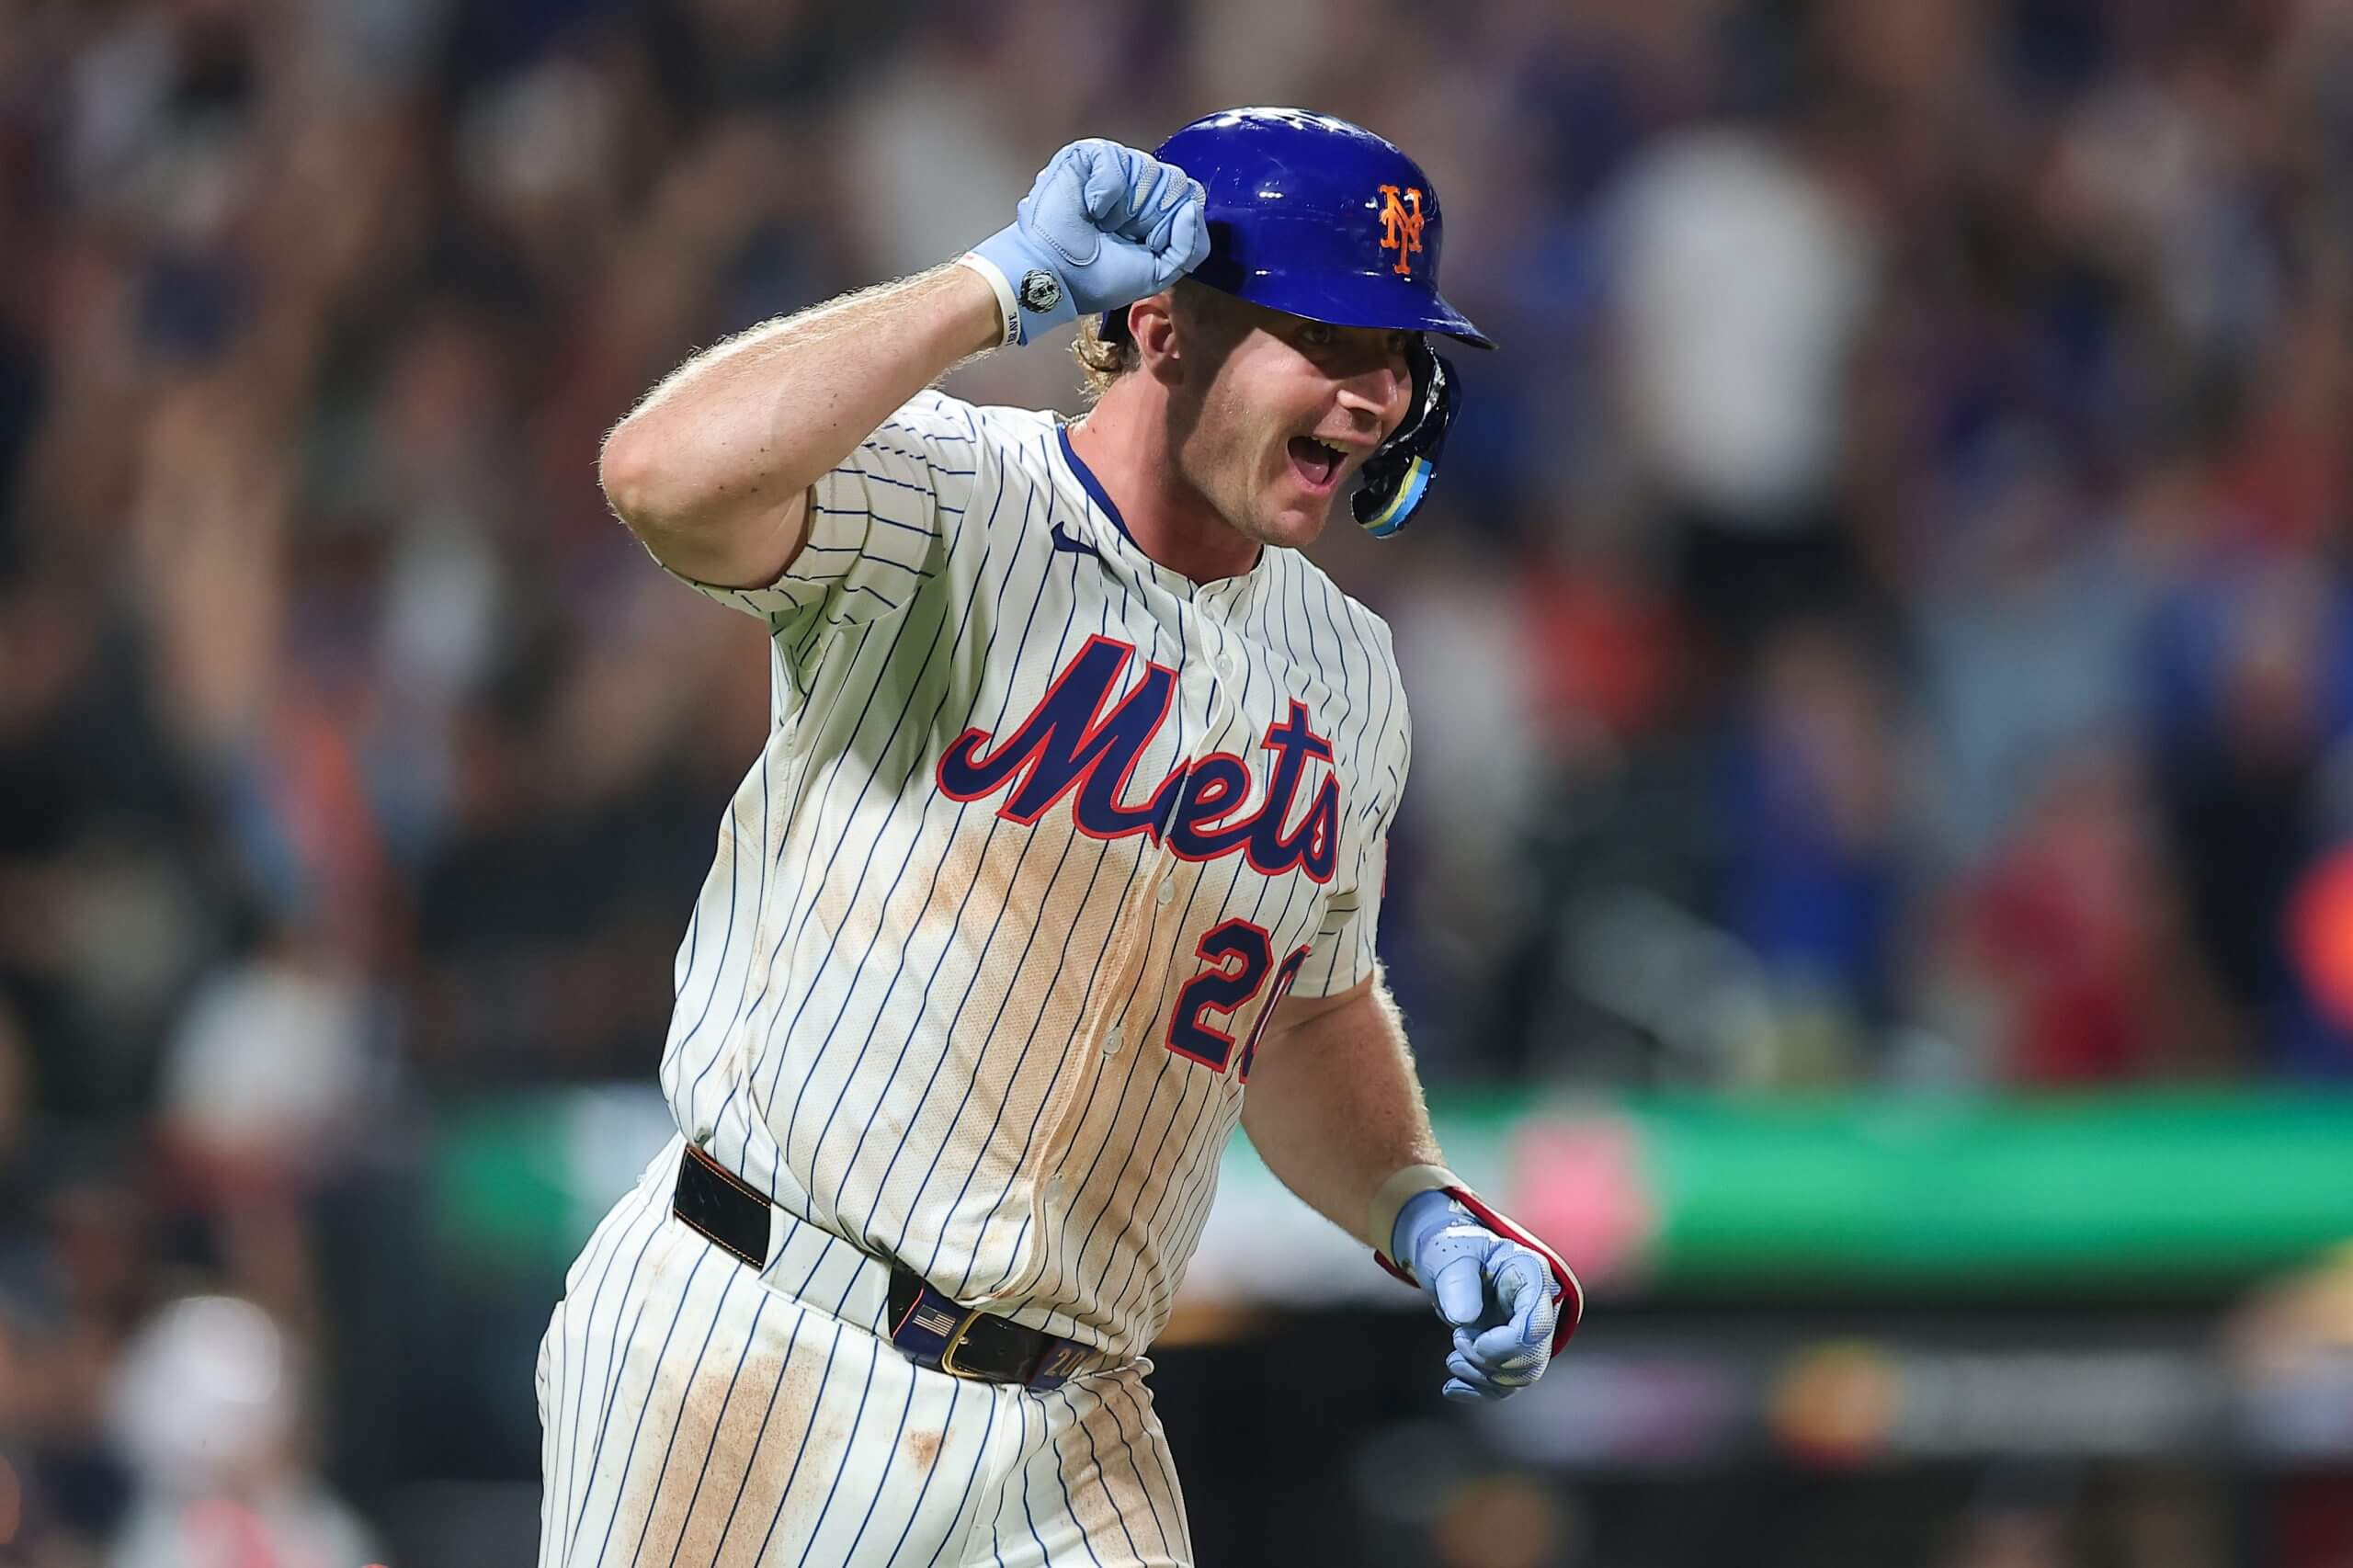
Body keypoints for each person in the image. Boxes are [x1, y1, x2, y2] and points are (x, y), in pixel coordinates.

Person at [538, 108, 1581, 1568]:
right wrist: (995, 280)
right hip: (762, 1336)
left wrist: (1417, 1204)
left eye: (1398, 355)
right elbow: (662, 476)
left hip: (1075, 1421)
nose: (1377, 397)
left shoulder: (1349, 672)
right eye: (1330, 342)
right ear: (1161, 325)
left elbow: (1296, 1014)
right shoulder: (955, 493)